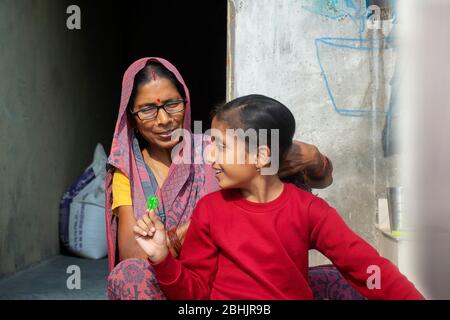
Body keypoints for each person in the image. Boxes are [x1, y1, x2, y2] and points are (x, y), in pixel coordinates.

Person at [133, 94, 424, 300]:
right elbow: (195, 292)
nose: (209, 156)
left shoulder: (310, 211)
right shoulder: (210, 211)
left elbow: (367, 268)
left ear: (261, 155)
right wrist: (162, 258)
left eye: (220, 146)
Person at [106, 58, 333, 300]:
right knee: (128, 274)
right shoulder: (129, 171)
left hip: (231, 281)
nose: (163, 120)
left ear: (186, 102)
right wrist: (186, 232)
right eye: (147, 109)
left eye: (172, 104)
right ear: (131, 117)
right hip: (169, 284)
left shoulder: (217, 152)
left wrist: (315, 158)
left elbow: (318, 177)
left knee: (335, 281)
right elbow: (131, 255)